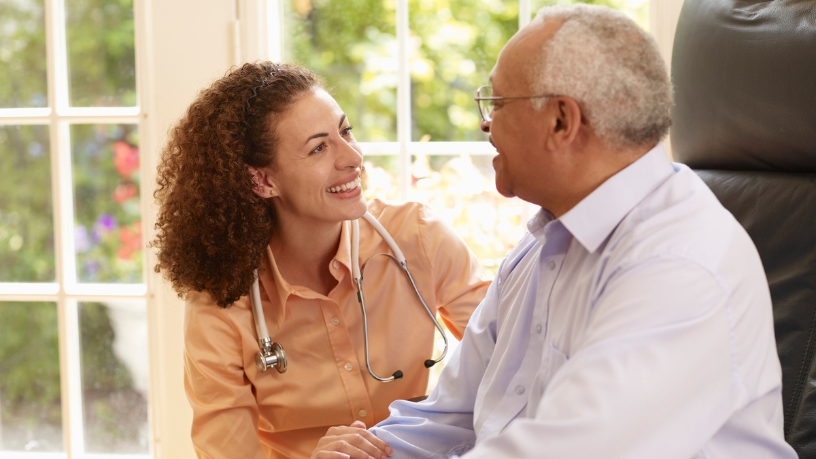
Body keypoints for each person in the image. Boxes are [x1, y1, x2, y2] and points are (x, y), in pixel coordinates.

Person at [313, 4, 797, 459]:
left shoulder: (678, 264)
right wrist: (373, 449)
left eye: (497, 102)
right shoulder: (543, 243)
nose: (485, 123)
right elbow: (454, 414)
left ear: (561, 120)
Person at [151, 62, 490, 459]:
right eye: (318, 147)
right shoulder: (221, 302)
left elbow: (516, 357)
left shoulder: (419, 236)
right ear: (262, 180)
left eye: (345, 132)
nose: (352, 157)